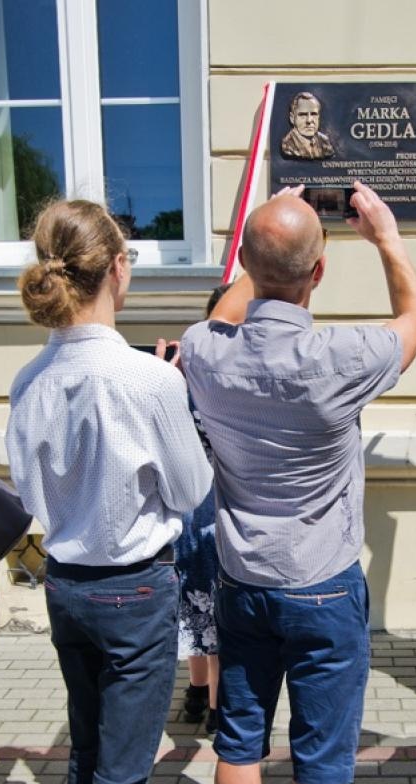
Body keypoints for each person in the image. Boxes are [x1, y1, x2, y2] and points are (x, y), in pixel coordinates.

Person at [181, 181, 416, 784]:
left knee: (238, 739)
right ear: (319, 274)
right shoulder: (342, 355)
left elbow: (223, 314)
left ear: (249, 272)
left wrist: (256, 244)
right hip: (323, 589)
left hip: (243, 586)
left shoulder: (203, 351)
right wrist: (385, 236)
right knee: (319, 759)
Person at [6, 200, 213, 784]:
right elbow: (193, 491)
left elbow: (29, 491)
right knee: (124, 768)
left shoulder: (32, 376)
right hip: (132, 586)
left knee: (91, 746)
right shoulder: (148, 377)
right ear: (117, 269)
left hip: (67, 583)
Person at [175, 284, 231, 734]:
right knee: (218, 612)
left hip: (189, 506)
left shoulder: (183, 377)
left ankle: (195, 695)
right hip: (224, 507)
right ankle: (216, 706)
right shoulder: (235, 381)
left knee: (195, 605)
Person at [279, 92, 335, 161]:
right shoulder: (288, 145)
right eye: (303, 115)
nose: (309, 120)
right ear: (292, 118)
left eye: (314, 114)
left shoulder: (324, 141)